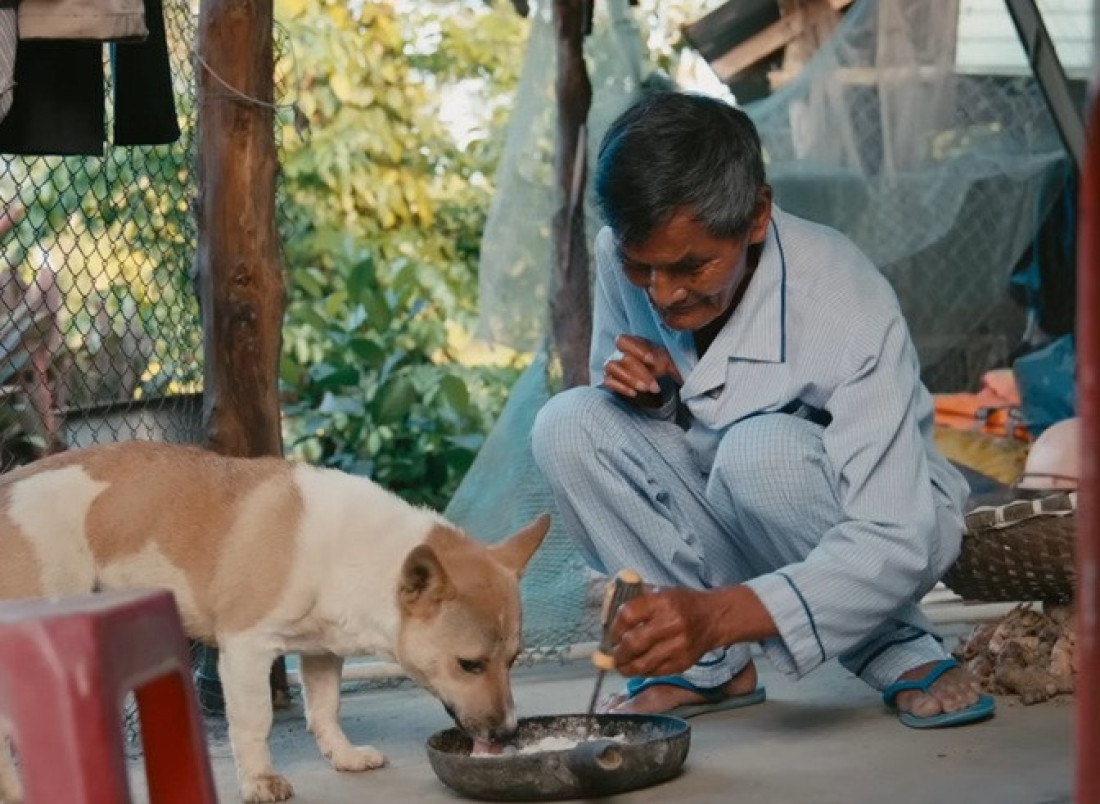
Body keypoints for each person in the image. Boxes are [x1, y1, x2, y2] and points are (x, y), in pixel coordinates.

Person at [531, 90, 995, 728]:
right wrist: (658, 402)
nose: (664, 294)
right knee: (568, 425)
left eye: (692, 267)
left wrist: (716, 615)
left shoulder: (845, 300)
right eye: (643, 269)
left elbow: (896, 532)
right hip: (728, 509)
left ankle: (894, 644)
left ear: (756, 216)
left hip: (874, 523)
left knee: (759, 455)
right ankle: (706, 668)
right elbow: (657, 431)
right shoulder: (626, 254)